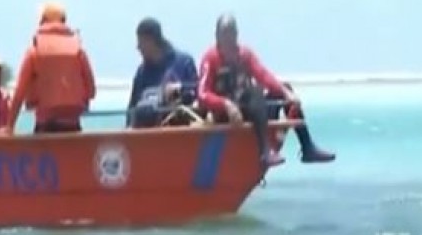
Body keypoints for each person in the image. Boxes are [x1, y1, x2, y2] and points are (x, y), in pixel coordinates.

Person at [198, 14, 335, 167]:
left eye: (232, 34)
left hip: (250, 109)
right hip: (226, 115)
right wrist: (225, 104)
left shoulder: (244, 54)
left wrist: (286, 94)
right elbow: (203, 94)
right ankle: (265, 151)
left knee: (282, 90)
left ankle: (307, 147)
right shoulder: (210, 58)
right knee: (255, 93)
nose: (229, 41)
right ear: (217, 36)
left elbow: (263, 75)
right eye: (225, 35)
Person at [6, 2, 96, 134]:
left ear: (43, 21)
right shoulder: (78, 51)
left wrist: (9, 126)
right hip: (72, 127)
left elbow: (19, 94)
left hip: (45, 128)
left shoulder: (34, 51)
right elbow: (91, 91)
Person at [126, 17, 199, 128]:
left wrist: (180, 89)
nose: (138, 47)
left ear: (151, 40)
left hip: (179, 130)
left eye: (141, 42)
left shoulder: (184, 62)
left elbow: (198, 92)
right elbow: (132, 108)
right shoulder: (141, 72)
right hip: (147, 134)